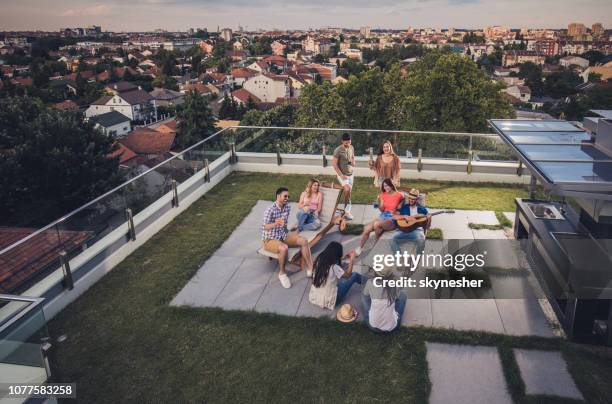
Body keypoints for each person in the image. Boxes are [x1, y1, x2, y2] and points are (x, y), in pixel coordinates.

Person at [262, 187, 314, 288]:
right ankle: (282, 273)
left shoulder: (287, 207)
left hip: (282, 235)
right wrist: (275, 224)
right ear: (278, 196)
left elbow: (284, 224)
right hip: (269, 239)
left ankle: (310, 268)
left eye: (288, 196)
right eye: (285, 196)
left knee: (303, 241)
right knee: (283, 248)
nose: (287, 198)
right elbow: (265, 227)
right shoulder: (270, 209)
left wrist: (290, 233)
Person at [354, 178, 404, 257]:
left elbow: (403, 201)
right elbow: (382, 210)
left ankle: (376, 244)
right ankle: (360, 248)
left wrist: (400, 208)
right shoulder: (383, 195)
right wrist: (378, 203)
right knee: (367, 228)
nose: (386, 188)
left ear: (391, 185)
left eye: (387, 185)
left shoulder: (399, 195)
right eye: (384, 186)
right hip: (383, 215)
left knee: (377, 224)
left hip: (393, 218)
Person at [309, 241, 362, 310]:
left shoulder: (319, 258)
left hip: (316, 297)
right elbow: (348, 275)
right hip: (332, 300)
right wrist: (352, 259)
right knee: (354, 275)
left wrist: (344, 257)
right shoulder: (334, 267)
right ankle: (370, 282)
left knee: (339, 278)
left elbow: (334, 264)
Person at [361, 267, 407, 332]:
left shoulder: (370, 282)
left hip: (372, 325)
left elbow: (365, 294)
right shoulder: (395, 284)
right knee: (403, 295)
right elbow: (397, 297)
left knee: (364, 296)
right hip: (392, 327)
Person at [391, 188, 429, 255]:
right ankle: (400, 259)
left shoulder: (422, 209)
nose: (411, 200)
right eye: (410, 198)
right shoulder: (405, 207)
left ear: (416, 200)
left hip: (416, 231)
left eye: (413, 199)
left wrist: (429, 219)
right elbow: (394, 217)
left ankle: (416, 260)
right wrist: (404, 216)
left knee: (421, 241)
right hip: (403, 231)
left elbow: (427, 224)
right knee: (392, 239)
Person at [333, 133, 355, 221]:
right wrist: (341, 176)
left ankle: (347, 210)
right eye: (346, 143)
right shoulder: (337, 150)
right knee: (347, 189)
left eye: (349, 142)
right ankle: (347, 212)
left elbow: (353, 157)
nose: (348, 145)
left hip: (351, 174)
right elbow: (334, 165)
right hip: (342, 175)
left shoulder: (351, 147)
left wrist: (353, 162)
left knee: (349, 192)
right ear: (342, 141)